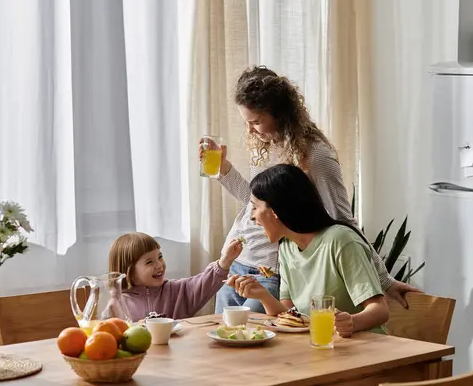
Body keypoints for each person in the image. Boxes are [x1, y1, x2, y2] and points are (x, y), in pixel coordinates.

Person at [204, 65, 419, 314]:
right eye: (248, 123)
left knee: (255, 345)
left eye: (257, 122)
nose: (251, 130)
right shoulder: (266, 143)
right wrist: (223, 169)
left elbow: (342, 219)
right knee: (226, 343)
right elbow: (255, 202)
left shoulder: (316, 157)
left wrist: (383, 279)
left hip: (270, 270)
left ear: (280, 113)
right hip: (237, 261)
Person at [226, 164, 390, 337]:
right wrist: (262, 295)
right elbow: (289, 315)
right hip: (320, 346)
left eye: (254, 207)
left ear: (274, 211)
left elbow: (380, 311)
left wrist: (351, 322)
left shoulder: (340, 240)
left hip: (364, 347)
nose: (252, 216)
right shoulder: (286, 248)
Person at [108, 232, 243, 322]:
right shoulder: (118, 304)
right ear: (129, 272)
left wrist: (225, 261)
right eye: (149, 262)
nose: (159, 265)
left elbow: (204, 282)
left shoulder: (177, 291)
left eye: (160, 257)